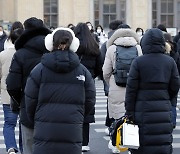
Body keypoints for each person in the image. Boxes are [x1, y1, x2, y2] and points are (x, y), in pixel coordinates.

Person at [24, 27, 96, 154]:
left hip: (44, 127)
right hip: (72, 127)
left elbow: (30, 101)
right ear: (73, 45)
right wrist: (79, 116)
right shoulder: (82, 71)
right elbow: (90, 100)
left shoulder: (38, 70)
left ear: (50, 44)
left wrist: (37, 118)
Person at [125, 28, 180, 154]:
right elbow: (175, 86)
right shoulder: (169, 61)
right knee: (163, 141)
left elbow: (131, 90)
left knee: (143, 143)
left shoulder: (138, 62)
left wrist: (130, 111)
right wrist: (167, 98)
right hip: (163, 108)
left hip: (142, 108)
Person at [6, 17, 51, 154]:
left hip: (28, 106)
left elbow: (12, 85)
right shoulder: (53, 51)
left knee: (29, 146)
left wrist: (21, 100)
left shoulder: (21, 53)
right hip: (52, 106)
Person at [103, 26, 142, 153]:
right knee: (131, 116)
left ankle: (115, 143)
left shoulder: (112, 48)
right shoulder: (138, 48)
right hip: (134, 87)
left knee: (116, 117)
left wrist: (111, 83)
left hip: (116, 85)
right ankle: (131, 145)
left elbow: (106, 72)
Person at [74, 23, 102, 152]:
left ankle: (75, 140)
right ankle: (85, 143)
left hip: (73, 81)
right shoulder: (94, 46)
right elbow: (99, 67)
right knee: (87, 110)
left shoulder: (74, 45)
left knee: (73, 111)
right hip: (88, 81)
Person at [0, 23, 24, 154]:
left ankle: (10, 148)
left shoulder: (3, 55)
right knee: (23, 124)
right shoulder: (26, 54)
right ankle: (22, 148)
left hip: (6, 93)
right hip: (23, 94)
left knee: (9, 123)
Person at [100, 20, 123, 133]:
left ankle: (112, 128)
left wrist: (109, 81)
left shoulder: (107, 44)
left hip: (114, 80)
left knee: (113, 105)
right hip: (130, 82)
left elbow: (105, 69)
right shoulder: (136, 46)